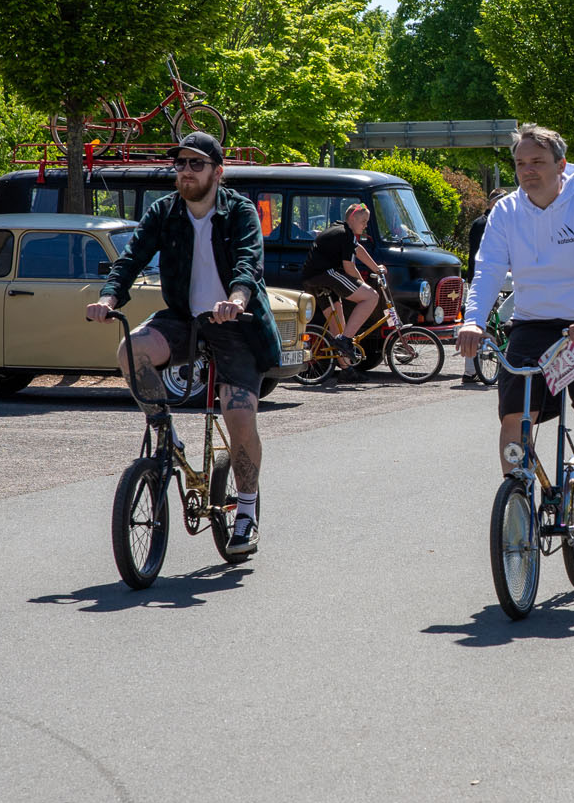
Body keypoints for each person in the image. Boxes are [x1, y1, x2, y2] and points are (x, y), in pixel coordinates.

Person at [86, 131, 280, 556]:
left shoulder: (240, 212)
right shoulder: (165, 212)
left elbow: (249, 260)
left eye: (196, 164)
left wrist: (237, 298)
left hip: (236, 323)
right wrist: (108, 297)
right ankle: (165, 433)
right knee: (131, 351)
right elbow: (131, 259)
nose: (186, 172)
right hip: (184, 319)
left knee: (239, 415)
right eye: (180, 164)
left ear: (218, 171)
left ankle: (245, 510)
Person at [456, 124, 574, 510]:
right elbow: (488, 270)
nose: (527, 170)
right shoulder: (506, 211)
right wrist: (473, 321)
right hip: (533, 323)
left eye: (537, 162)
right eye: (520, 163)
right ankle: (516, 495)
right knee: (514, 417)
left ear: (561, 164)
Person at [299, 202, 388, 364]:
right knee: (371, 297)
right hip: (325, 274)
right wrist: (363, 286)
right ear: (352, 218)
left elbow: (357, 248)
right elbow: (349, 266)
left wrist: (376, 269)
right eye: (364, 222)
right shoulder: (345, 234)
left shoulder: (340, 229)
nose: (366, 226)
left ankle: (346, 370)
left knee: (337, 325)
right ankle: (345, 340)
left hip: (311, 279)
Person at [461, 190, 507, 382]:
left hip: (477, 277)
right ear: (494, 203)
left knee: (482, 323)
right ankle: (471, 370)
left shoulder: (478, 222)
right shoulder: (489, 223)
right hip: (486, 279)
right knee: (480, 324)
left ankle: (471, 370)